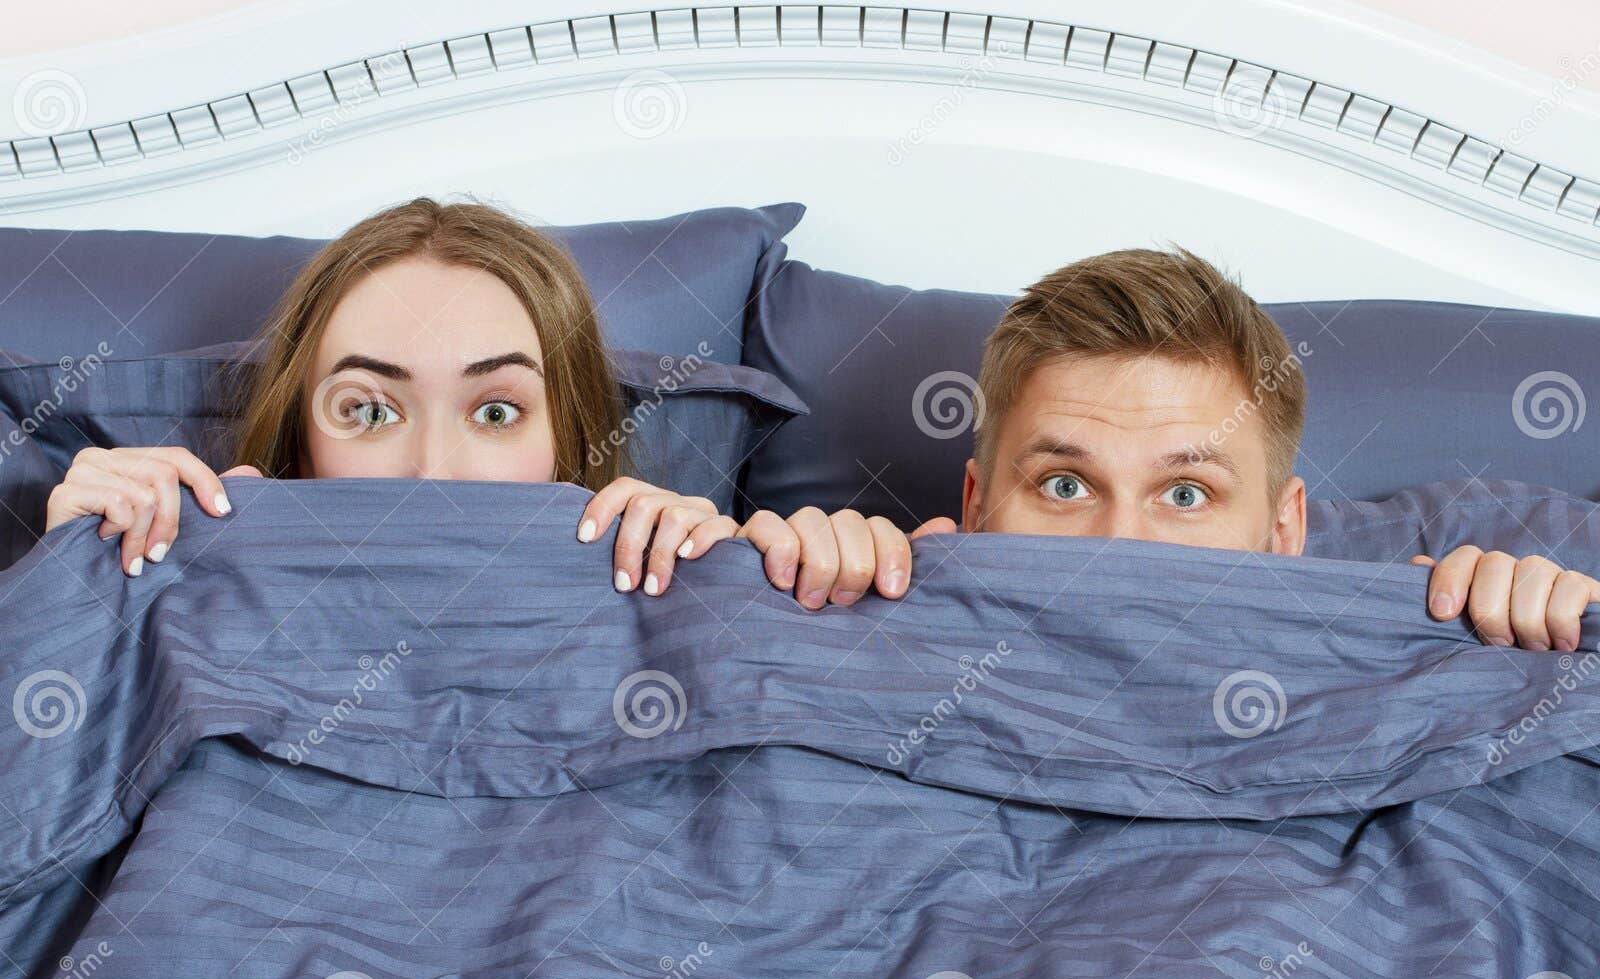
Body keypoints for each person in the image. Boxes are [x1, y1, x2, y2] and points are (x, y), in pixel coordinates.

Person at [43, 197, 913, 608]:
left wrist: (766, 586)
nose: (431, 471)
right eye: (366, 410)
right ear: (298, 445)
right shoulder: (172, 574)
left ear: (567, 446)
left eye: (495, 412)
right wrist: (70, 581)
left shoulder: (678, 574)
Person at [777, 248, 1599, 650]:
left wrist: (1550, 635)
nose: (1117, 549)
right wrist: (758, 576)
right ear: (973, 505)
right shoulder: (864, 617)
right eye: (1064, 485)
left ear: (1285, 530)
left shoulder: (1419, 638)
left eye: (1184, 494)